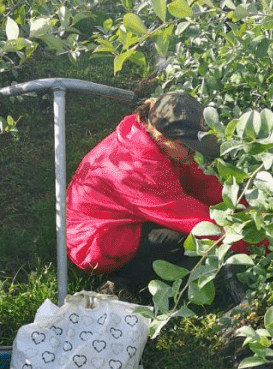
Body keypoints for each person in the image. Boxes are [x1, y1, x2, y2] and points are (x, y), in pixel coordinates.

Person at [65, 92, 254, 293]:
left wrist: (247, 213)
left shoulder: (155, 136)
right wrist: (255, 242)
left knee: (202, 236)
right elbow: (193, 219)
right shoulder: (140, 171)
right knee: (186, 240)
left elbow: (203, 184)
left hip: (123, 217)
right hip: (98, 242)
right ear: (164, 138)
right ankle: (122, 282)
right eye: (189, 146)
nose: (194, 152)